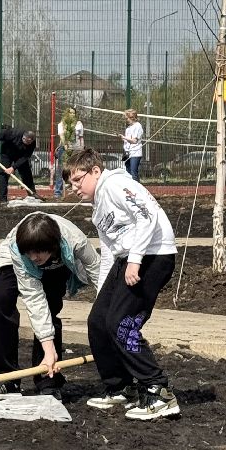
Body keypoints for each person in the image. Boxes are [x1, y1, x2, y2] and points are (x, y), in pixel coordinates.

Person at [67, 147, 180, 421]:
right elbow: (109, 251)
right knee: (99, 320)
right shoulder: (98, 206)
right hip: (126, 259)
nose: (73, 188)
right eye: (70, 183)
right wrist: (102, 292)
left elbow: (147, 215)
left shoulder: (116, 184)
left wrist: (136, 260)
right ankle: (121, 387)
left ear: (95, 171)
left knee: (122, 323)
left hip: (154, 256)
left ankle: (158, 391)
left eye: (77, 180)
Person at [0, 211, 99, 396]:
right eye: (30, 253)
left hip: (57, 265)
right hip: (12, 261)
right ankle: (6, 378)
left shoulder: (75, 240)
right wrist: (49, 346)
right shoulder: (20, 251)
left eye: (38, 252)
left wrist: (111, 314)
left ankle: (48, 378)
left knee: (51, 308)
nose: (34, 258)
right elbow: (33, 297)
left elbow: (97, 271)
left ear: (52, 246)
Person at [0, 127, 39, 202]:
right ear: (23, 137)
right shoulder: (11, 133)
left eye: (29, 142)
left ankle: (32, 195)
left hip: (21, 155)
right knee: (4, 174)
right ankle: (3, 199)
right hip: (7, 153)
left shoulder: (32, 143)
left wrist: (13, 168)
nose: (28, 143)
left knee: (27, 174)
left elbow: (26, 157)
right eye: (26, 141)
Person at [53, 108, 80, 198]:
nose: (72, 115)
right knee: (61, 170)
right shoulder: (61, 124)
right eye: (70, 113)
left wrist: (80, 147)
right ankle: (58, 192)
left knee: (75, 169)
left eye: (74, 113)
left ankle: (75, 190)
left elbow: (80, 137)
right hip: (64, 148)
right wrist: (65, 145)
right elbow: (61, 135)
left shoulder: (78, 124)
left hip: (75, 148)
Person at [121, 109, 145, 181]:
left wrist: (124, 138)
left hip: (135, 152)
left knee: (133, 173)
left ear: (132, 117)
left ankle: (137, 190)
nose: (126, 120)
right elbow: (127, 141)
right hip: (128, 153)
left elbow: (134, 141)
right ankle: (130, 190)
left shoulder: (138, 126)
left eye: (127, 118)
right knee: (128, 174)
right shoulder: (128, 129)